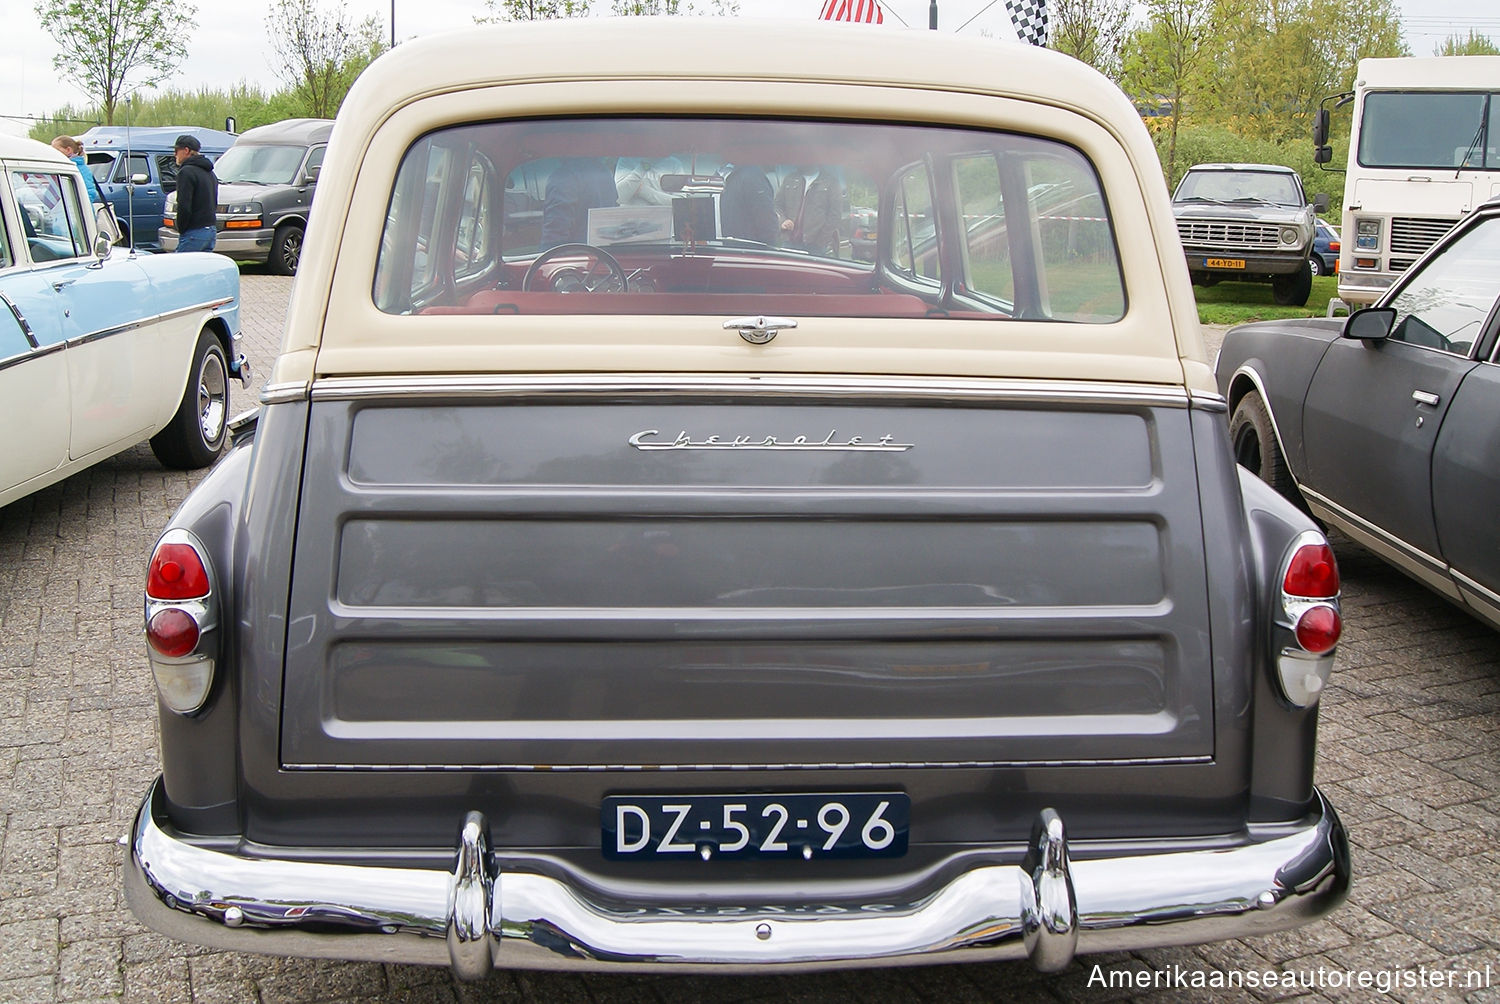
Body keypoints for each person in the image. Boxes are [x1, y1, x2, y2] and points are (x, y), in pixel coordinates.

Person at [540, 157, 618, 248]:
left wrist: (544, 256)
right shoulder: (605, 172)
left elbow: (554, 237)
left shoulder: (564, 176)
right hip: (605, 255)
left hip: (576, 257)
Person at [775, 166, 843, 256]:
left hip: (816, 247)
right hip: (789, 242)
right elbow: (777, 205)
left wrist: (821, 240)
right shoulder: (789, 179)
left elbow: (835, 215)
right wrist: (783, 221)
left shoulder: (831, 183)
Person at [172, 134, 219, 253]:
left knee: (180, 268)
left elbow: (184, 205)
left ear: (186, 150)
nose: (174, 154)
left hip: (194, 231)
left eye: (176, 150)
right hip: (210, 231)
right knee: (203, 269)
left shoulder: (186, 172)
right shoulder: (210, 173)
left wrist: (181, 228)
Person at [719, 164, 777, 245]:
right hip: (717, 251)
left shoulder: (752, 176)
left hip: (746, 253)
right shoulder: (718, 174)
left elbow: (767, 226)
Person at [51, 135, 103, 206]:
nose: (53, 154)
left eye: (56, 151)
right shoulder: (65, 168)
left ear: (68, 150)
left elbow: (89, 193)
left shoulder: (77, 169)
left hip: (77, 213)